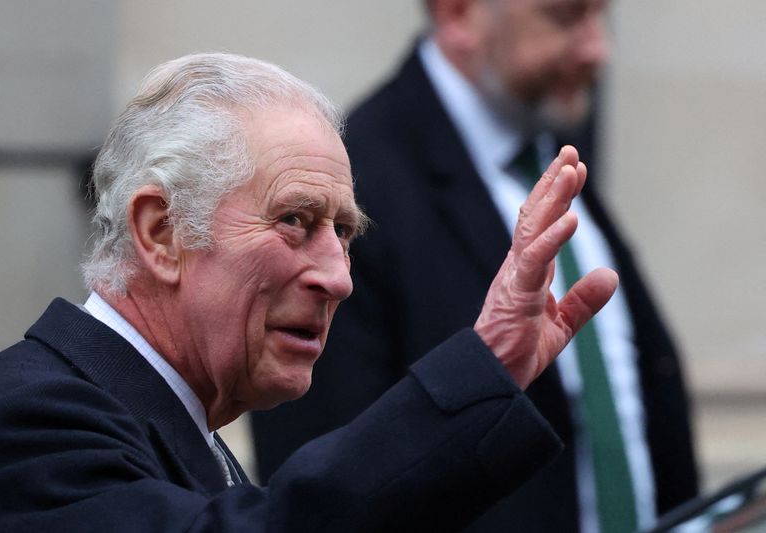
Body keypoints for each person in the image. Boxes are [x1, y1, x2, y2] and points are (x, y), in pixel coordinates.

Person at [0, 52, 618, 532]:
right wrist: (484, 366)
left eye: (343, 231)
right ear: (161, 232)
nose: (339, 277)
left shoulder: (187, 432)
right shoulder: (26, 419)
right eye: (295, 222)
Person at [251, 0, 699, 531]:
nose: (598, 48)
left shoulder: (549, 150)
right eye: (565, 16)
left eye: (601, 17)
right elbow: (319, 483)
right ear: (459, 14)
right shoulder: (349, 190)